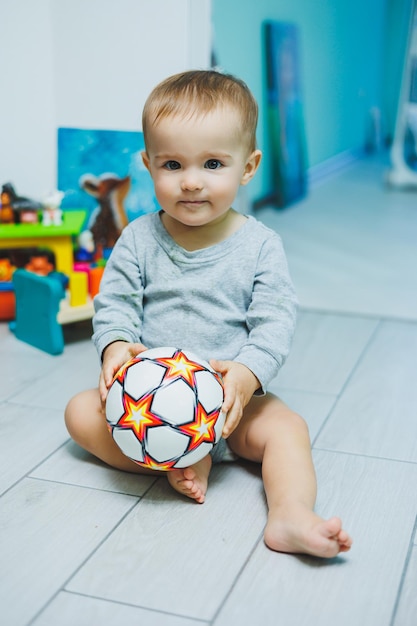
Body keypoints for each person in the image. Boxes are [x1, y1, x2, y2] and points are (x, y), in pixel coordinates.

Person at [65, 70, 352, 558]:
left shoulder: (261, 246)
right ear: (148, 165)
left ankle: (290, 513)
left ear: (247, 166)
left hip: (231, 405)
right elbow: (114, 302)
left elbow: (274, 323)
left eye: (213, 163)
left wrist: (245, 375)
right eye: (172, 164)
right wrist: (115, 346)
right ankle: (174, 457)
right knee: (77, 415)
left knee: (288, 429)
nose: (192, 181)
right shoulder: (137, 238)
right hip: (147, 409)